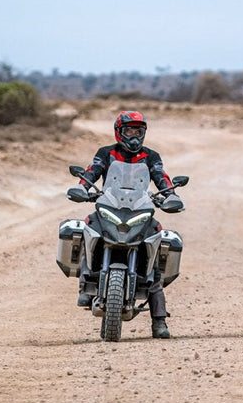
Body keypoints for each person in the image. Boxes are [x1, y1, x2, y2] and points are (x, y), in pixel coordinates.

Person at [74, 110, 177, 339]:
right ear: (119, 132)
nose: (134, 136)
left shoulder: (151, 156)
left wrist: (170, 195)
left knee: (155, 244)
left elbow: (161, 176)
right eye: (130, 130)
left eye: (138, 131)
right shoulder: (106, 152)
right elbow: (93, 170)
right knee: (89, 224)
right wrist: (83, 187)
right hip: (110, 204)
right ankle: (85, 280)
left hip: (140, 208)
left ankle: (158, 321)